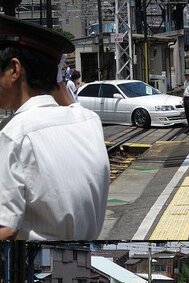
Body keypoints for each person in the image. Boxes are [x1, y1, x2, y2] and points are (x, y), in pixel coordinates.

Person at [0, 14, 110, 241]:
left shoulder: (13, 136)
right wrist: (52, 75)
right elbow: (69, 102)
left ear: (14, 70)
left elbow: (7, 228)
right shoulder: (89, 121)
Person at [183, 69, 189, 134]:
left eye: (188, 75)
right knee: (187, 115)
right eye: (186, 75)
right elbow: (185, 91)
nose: (187, 76)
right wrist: (183, 99)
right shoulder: (185, 82)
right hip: (186, 98)